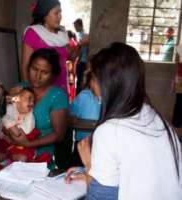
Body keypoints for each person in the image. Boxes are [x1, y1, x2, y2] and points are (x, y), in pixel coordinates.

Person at [65, 42, 182, 200]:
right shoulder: (159, 121)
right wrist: (89, 174)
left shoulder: (109, 132)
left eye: (92, 77)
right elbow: (140, 174)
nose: (91, 84)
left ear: (104, 82)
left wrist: (90, 166)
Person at [4, 48, 68, 170]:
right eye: (34, 69)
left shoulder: (57, 97)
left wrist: (28, 143)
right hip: (14, 152)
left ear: (53, 74)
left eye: (45, 72)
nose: (37, 76)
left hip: (42, 158)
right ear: (28, 68)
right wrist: (9, 97)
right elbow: (9, 114)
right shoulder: (20, 89)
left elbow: (59, 135)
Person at [21, 0, 69, 92]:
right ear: (45, 15)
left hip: (61, 86)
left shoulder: (62, 34)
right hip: (40, 89)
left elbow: (66, 58)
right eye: (56, 13)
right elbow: (25, 68)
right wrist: (29, 92)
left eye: (60, 12)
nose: (60, 16)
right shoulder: (32, 33)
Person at [69, 67, 101, 166]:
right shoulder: (84, 96)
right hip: (82, 144)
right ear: (90, 81)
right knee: (78, 169)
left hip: (100, 145)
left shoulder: (111, 99)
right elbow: (71, 116)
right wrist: (73, 118)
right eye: (95, 80)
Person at [74, 18, 89, 94]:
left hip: (83, 61)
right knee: (79, 81)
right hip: (81, 61)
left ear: (80, 25)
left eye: (75, 26)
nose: (75, 28)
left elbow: (81, 50)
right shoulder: (80, 35)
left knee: (80, 81)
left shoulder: (84, 35)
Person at [172, 44, 182, 128]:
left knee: (179, 100)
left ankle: (176, 122)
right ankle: (176, 122)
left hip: (179, 77)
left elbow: (177, 62)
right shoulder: (179, 47)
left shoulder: (179, 47)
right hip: (180, 78)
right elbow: (177, 62)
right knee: (179, 100)